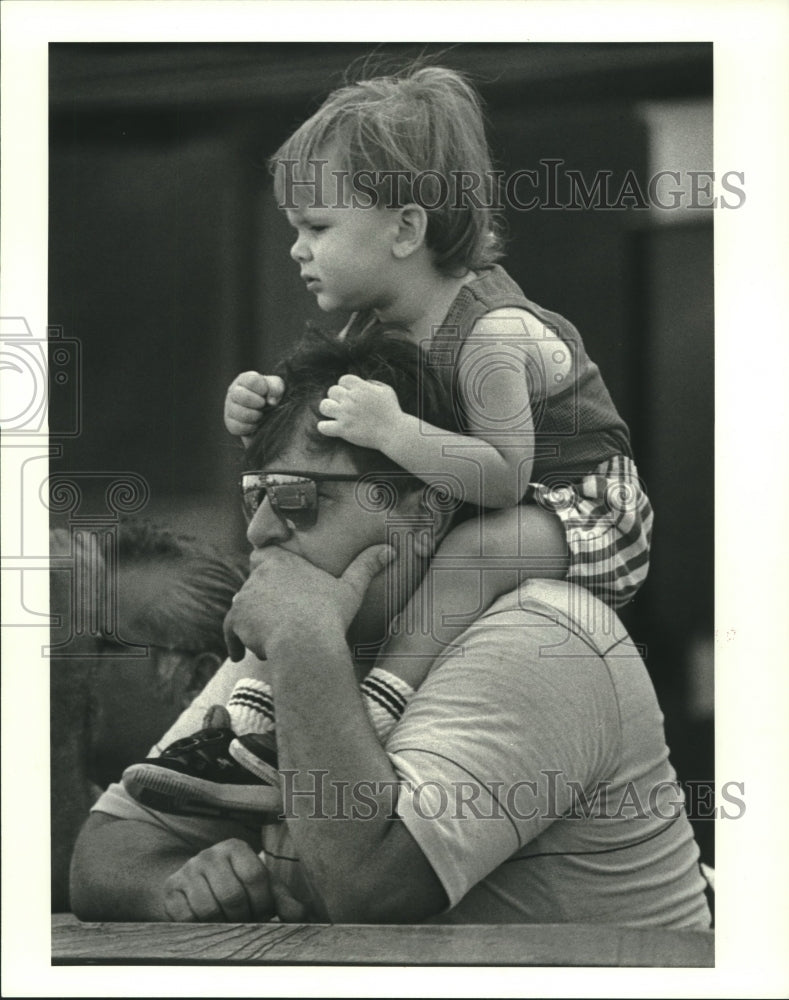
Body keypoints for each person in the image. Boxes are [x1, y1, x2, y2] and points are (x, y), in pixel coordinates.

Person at [123, 62, 654, 813]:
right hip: (480, 501)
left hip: (585, 510)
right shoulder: (372, 326)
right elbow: (322, 441)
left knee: (471, 549)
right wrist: (258, 406)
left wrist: (394, 428)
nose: (295, 251)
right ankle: (252, 727)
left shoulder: (491, 336)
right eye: (293, 230)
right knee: (333, 557)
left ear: (406, 227)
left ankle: (376, 706)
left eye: (316, 228)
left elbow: (505, 478)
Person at [71, 332, 710, 928]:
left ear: (422, 511)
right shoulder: (322, 618)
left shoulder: (537, 638)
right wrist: (178, 884)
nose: (260, 530)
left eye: (297, 495)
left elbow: (370, 889)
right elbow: (106, 850)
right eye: (254, 496)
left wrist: (302, 646)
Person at [49, 519, 245, 910]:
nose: (72, 661)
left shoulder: (236, 834)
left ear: (197, 679)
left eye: (95, 643)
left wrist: (60, 702)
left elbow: (66, 887)